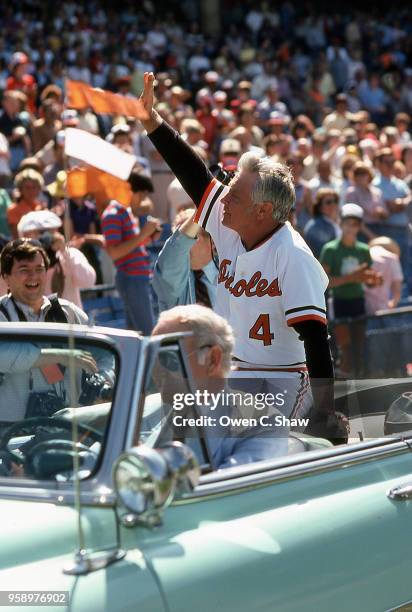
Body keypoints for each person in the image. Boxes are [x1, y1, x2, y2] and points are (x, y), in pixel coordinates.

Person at [139, 72, 347, 442]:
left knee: (260, 444)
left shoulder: (292, 254)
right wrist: (153, 122)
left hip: (286, 376)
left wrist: (325, 411)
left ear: (263, 210)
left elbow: (315, 339)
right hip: (238, 370)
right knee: (186, 433)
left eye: (234, 194)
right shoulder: (233, 222)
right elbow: (195, 174)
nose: (223, 199)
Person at [152, 304, 288, 469]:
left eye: (169, 357)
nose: (157, 369)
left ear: (212, 360)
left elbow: (233, 489)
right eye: (152, 357)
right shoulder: (145, 415)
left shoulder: (264, 424)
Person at [320, 204, 381, 376]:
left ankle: (362, 388)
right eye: (347, 222)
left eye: (355, 223)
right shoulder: (330, 249)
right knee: (345, 351)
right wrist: (350, 278)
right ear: (340, 223)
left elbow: (368, 280)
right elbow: (324, 283)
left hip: (358, 301)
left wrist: (374, 280)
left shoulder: (363, 249)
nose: (351, 227)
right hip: (339, 302)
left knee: (359, 349)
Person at [101, 169, 162, 334]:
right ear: (130, 191)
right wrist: (144, 234)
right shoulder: (112, 215)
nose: (142, 201)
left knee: (135, 335)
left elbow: (130, 246)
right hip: (131, 279)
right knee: (147, 334)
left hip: (137, 278)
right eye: (141, 195)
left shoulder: (126, 212)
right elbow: (114, 253)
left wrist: (149, 237)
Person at [17, 210, 96, 309]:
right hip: (35, 323)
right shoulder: (17, 264)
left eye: (49, 231)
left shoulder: (70, 255)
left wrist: (64, 252)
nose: (43, 237)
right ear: (24, 237)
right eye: (38, 232)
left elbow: (88, 282)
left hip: (70, 322)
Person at [0, 238, 88, 324]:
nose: (33, 276)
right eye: (24, 270)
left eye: (39, 269)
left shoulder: (68, 314)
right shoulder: (2, 317)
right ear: (6, 277)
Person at [153, 208, 218, 312]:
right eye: (175, 236)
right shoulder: (172, 280)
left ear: (213, 242)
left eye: (191, 236)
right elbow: (176, 251)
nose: (184, 244)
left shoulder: (231, 270)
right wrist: (203, 205)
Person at [364, 237, 403, 315]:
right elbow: (397, 289)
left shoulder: (362, 255)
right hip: (383, 308)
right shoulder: (392, 259)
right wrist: (393, 304)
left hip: (362, 308)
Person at [304, 188, 341, 259]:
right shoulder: (315, 226)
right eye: (328, 202)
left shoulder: (340, 222)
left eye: (335, 201)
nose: (333, 205)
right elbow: (323, 255)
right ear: (320, 207)